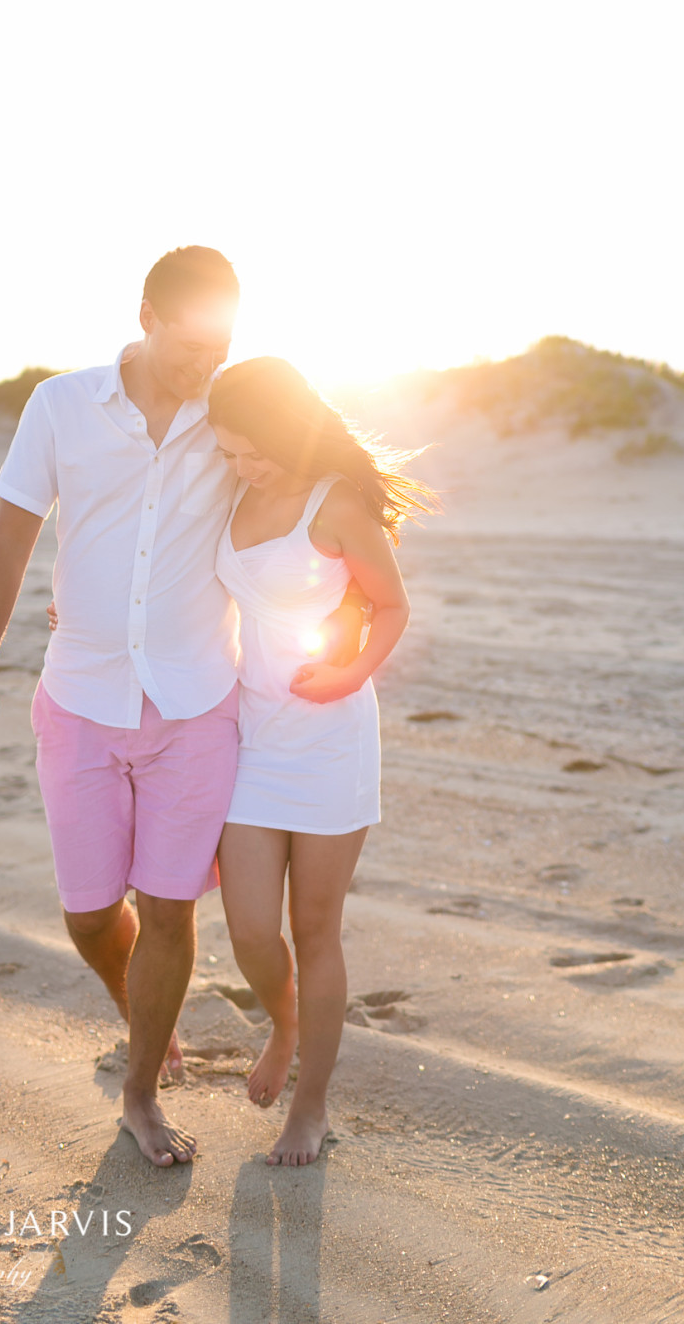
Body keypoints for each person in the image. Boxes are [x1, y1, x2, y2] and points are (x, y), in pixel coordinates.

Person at [0, 247, 362, 1168]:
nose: (204, 366)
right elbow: (11, 535)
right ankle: (138, 1004)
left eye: (221, 347)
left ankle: (141, 1088)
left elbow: (307, 496)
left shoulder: (231, 421)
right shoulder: (62, 405)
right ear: (145, 314)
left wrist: (356, 608)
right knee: (91, 914)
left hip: (195, 705)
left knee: (170, 909)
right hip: (81, 695)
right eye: (190, 346)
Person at [207, 358, 435, 1166]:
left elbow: (395, 604)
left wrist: (350, 671)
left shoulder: (334, 499)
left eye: (252, 451)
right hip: (253, 734)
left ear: (284, 430)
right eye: (230, 452)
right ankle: (286, 1018)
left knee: (314, 928)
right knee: (248, 930)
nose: (241, 465)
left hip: (332, 736)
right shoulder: (231, 490)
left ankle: (311, 1103)